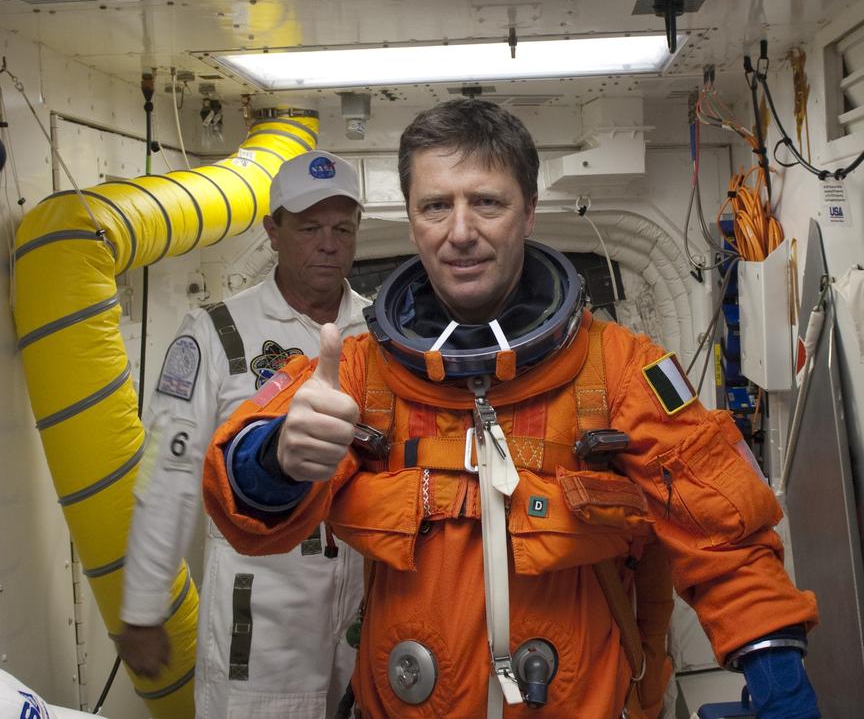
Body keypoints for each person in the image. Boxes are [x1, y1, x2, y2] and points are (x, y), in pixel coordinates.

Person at [201, 99, 821, 719]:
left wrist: (780, 689)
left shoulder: (618, 371)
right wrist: (277, 457)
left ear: (528, 211)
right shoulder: (363, 373)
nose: (460, 230)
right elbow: (235, 490)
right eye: (436, 206)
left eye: (487, 202)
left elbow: (727, 539)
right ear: (413, 220)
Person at [118, 150, 370, 719]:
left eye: (342, 229)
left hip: (366, 599)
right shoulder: (214, 334)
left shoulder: (380, 332)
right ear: (273, 231)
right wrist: (143, 608)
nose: (328, 244)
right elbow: (169, 475)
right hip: (262, 608)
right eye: (309, 229)